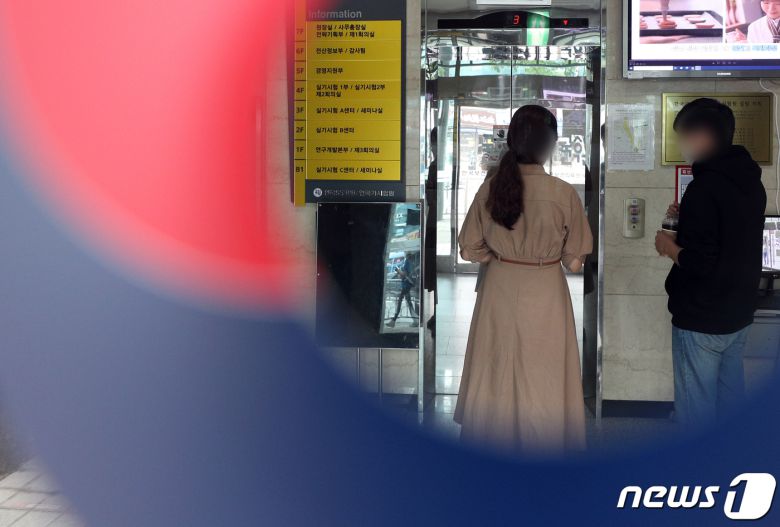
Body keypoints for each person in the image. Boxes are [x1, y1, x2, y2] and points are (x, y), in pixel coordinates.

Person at [455, 105, 593, 454]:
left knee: (496, 362)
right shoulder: (563, 193)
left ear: (512, 140)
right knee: (545, 368)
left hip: (500, 285)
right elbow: (574, 260)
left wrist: (498, 257)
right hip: (546, 287)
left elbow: (468, 248)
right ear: (550, 144)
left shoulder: (491, 189)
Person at [654, 98, 766, 428]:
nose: (682, 145)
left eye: (683, 136)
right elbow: (728, 238)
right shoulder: (750, 182)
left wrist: (669, 247)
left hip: (701, 317)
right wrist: (685, 221)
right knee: (729, 401)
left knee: (695, 411)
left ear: (703, 137)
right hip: (738, 312)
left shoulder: (704, 187)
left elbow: (701, 262)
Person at [424, 128, 438, 335]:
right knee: (432, 268)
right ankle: (436, 311)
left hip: (434, 222)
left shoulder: (435, 167)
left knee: (433, 268)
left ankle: (437, 312)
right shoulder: (434, 166)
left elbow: (431, 197)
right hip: (433, 222)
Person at [387, 252, 418, 328]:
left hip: (406, 286)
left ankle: (393, 320)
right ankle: (415, 320)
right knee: (408, 303)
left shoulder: (407, 261)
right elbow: (407, 274)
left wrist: (398, 271)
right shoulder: (410, 262)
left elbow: (404, 275)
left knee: (400, 301)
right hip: (407, 285)